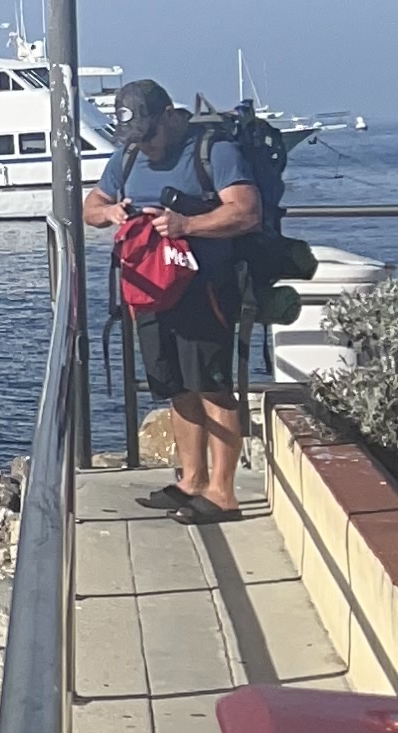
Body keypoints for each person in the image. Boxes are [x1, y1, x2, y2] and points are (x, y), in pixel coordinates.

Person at [99, 77, 299, 523]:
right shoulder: (128, 157)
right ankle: (190, 481)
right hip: (152, 288)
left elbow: (245, 211)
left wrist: (186, 226)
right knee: (176, 387)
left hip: (205, 285)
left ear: (170, 117)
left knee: (212, 386)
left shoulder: (214, 153)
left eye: (149, 134)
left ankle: (223, 494)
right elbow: (91, 204)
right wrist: (110, 212)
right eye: (136, 137)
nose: (145, 146)